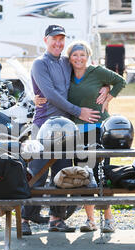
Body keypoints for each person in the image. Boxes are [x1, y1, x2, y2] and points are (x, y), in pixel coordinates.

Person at [21, 25, 108, 235]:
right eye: (54, 39)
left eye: (61, 39)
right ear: (45, 40)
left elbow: (87, 72)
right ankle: (24, 218)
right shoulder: (39, 64)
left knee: (62, 174)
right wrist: (79, 111)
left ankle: (56, 218)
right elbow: (50, 94)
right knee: (38, 173)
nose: (58, 43)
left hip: (66, 129)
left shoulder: (66, 62)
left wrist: (107, 86)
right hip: (43, 126)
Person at [35, 40, 126, 233]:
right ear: (70, 58)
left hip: (97, 131)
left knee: (100, 174)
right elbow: (52, 92)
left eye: (82, 55)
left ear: (88, 56)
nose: (79, 58)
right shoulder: (66, 73)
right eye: (75, 55)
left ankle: (108, 219)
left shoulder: (96, 71)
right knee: (83, 176)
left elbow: (120, 81)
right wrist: (36, 98)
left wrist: (108, 93)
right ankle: (90, 220)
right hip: (74, 133)